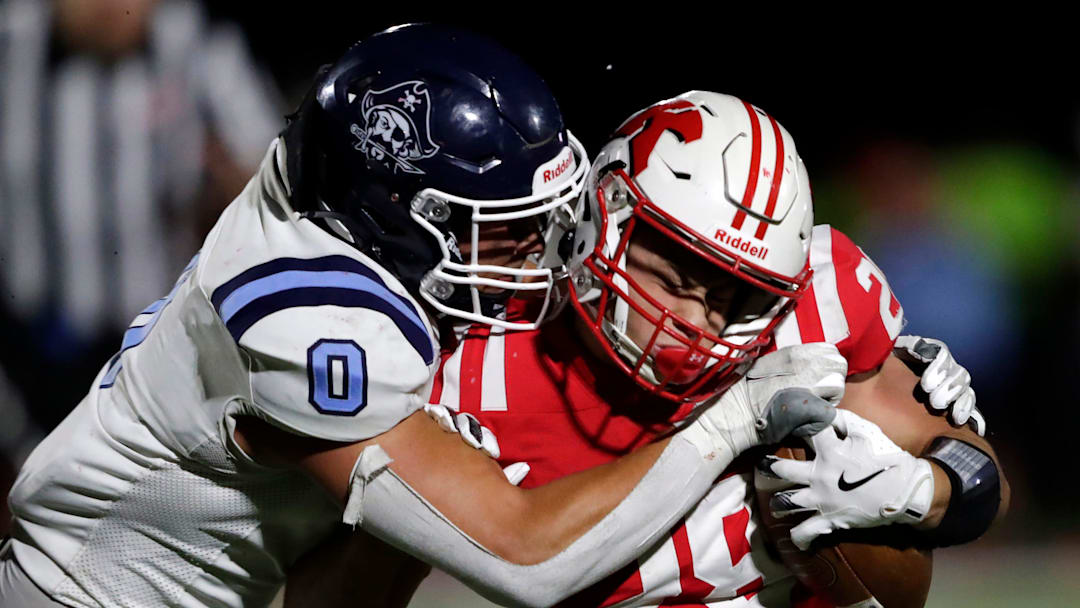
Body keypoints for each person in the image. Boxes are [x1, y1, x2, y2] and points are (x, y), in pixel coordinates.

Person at [1, 28, 844, 608]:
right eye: (502, 230)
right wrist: (732, 420)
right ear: (399, 216)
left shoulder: (325, 193)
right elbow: (526, 561)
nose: (536, 255)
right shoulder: (313, 323)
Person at [284, 92, 1006, 607]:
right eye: (674, 273)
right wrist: (408, 521)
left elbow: (982, 480)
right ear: (606, 217)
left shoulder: (817, 310)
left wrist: (919, 492)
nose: (688, 322)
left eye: (732, 297)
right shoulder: (475, 357)